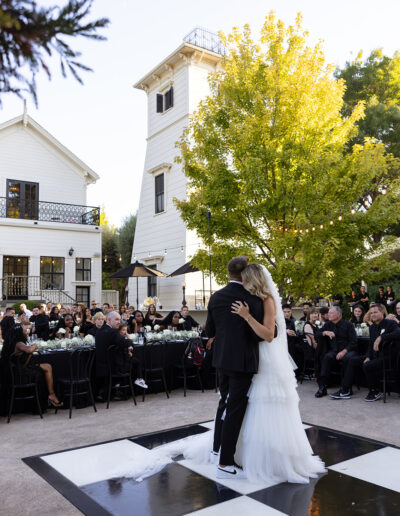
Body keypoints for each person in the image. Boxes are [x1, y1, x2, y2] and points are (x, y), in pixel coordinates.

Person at [330, 304, 400, 401]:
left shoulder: (390, 323)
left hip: (387, 357)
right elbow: (371, 345)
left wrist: (381, 337)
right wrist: (367, 356)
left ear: (382, 313)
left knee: (367, 365)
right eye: (371, 313)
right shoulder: (372, 327)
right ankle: (345, 390)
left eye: (375, 312)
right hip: (374, 356)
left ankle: (374, 391)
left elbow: (398, 332)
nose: (373, 315)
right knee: (353, 360)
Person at [5, 323, 63, 408]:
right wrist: (35, 346)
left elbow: (24, 360)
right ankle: (51, 395)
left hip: (20, 369)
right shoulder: (19, 343)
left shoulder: (14, 342)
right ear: (20, 333)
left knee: (47, 366)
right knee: (46, 368)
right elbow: (29, 350)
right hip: (19, 374)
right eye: (25, 330)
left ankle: (51, 394)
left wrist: (30, 352)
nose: (27, 332)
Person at [314, 305, 358, 398]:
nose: (328, 315)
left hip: (348, 350)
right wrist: (325, 332)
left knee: (347, 359)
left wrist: (344, 351)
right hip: (334, 351)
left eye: (331, 313)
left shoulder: (348, 325)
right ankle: (323, 387)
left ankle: (346, 388)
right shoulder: (328, 324)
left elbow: (353, 342)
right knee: (326, 358)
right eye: (328, 313)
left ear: (338, 314)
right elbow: (316, 334)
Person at [118, 323, 148, 389]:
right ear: (119, 331)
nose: (125, 332)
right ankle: (139, 379)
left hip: (125, 358)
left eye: (126, 330)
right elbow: (128, 348)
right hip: (122, 362)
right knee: (137, 362)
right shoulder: (120, 339)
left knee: (137, 361)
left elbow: (130, 348)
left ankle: (139, 379)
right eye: (123, 330)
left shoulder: (124, 338)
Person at [283, 304, 302, 369]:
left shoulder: (296, 321)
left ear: (291, 312)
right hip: (283, 343)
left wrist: (295, 335)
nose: (287, 314)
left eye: (288, 312)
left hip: (293, 343)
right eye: (285, 312)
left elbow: (301, 333)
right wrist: (285, 331)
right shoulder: (279, 321)